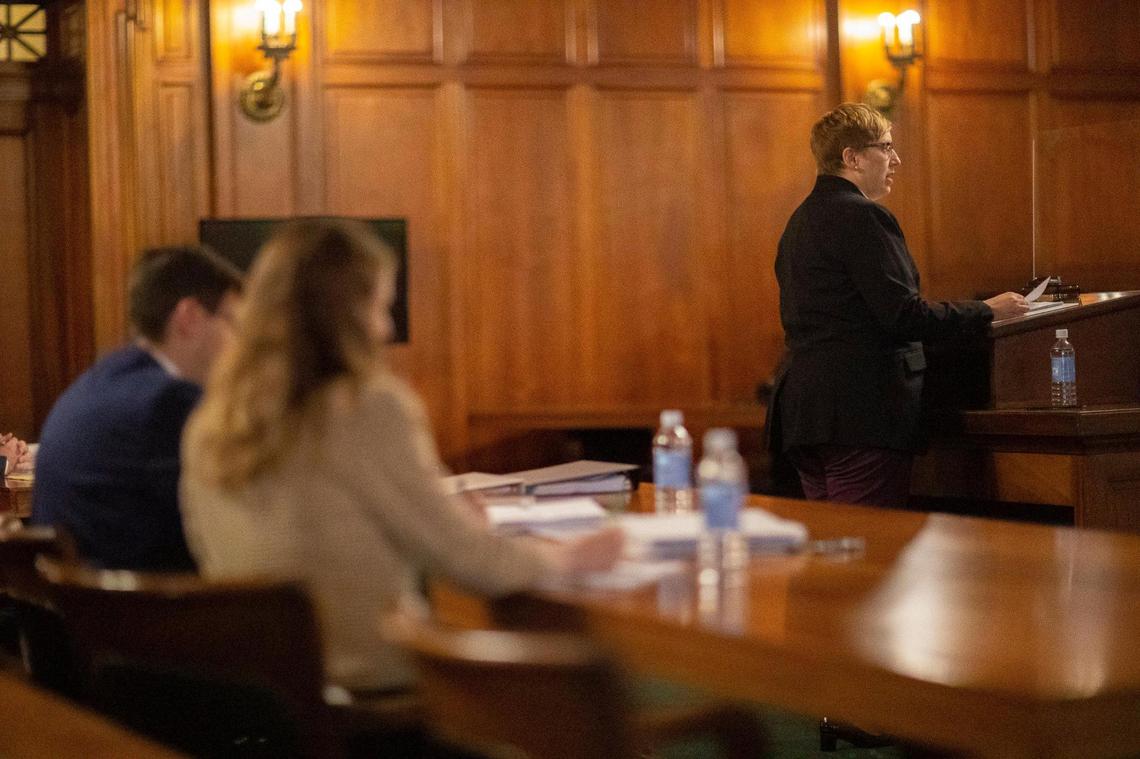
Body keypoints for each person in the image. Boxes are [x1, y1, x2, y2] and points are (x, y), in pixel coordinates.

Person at [181, 219, 623, 692]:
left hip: (274, 703)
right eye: (378, 307)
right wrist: (567, 559)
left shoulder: (210, 421)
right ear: (345, 313)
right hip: (379, 704)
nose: (386, 327)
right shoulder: (364, 407)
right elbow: (469, 562)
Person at [771, 103, 1029, 509]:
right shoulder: (864, 216)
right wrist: (988, 310)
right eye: (885, 147)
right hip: (860, 414)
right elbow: (902, 315)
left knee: (834, 553)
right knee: (864, 553)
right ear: (851, 157)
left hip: (805, 412)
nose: (896, 159)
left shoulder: (798, 222)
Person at [31, 246, 243, 571]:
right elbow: (226, 521)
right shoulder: (168, 402)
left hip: (72, 611)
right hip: (145, 613)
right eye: (234, 323)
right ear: (189, 318)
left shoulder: (94, 382)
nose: (241, 345)